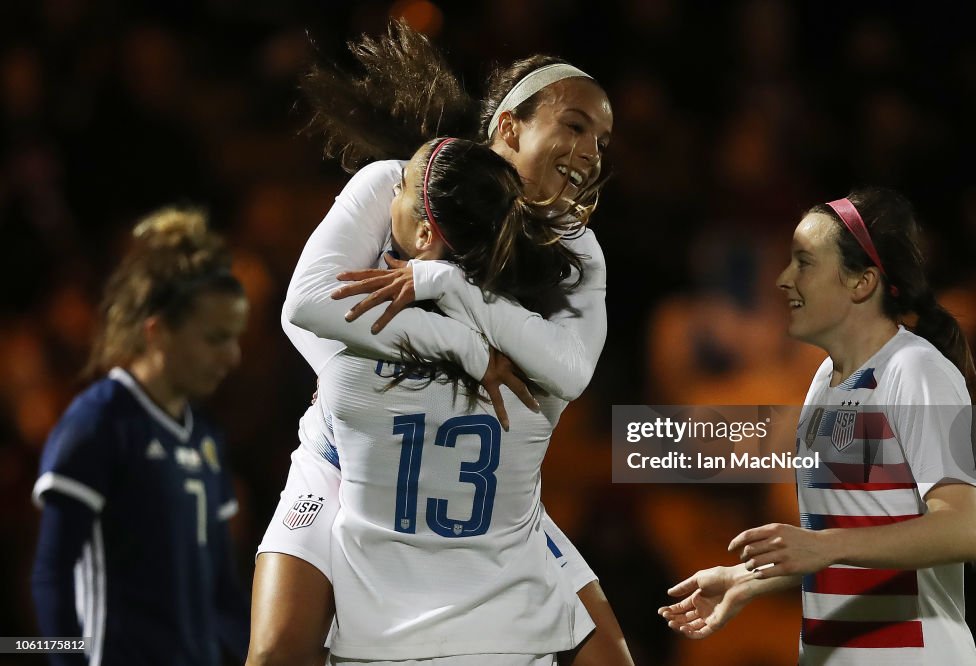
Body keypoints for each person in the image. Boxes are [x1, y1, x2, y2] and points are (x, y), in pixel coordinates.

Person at [248, 21, 631, 666]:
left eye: (601, 138)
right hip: (351, 459)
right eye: (573, 125)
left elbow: (570, 373)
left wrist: (441, 293)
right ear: (508, 126)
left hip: (480, 483)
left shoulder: (573, 247)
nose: (590, 150)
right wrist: (463, 352)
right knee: (278, 653)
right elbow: (306, 307)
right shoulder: (399, 185)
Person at [659, 188, 976, 664]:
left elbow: (962, 531)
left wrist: (823, 545)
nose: (783, 281)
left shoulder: (915, 370)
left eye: (804, 264)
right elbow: (840, 541)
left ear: (861, 284)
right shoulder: (824, 381)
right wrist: (746, 580)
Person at [31, 208, 251, 666]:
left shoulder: (206, 436)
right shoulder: (99, 422)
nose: (232, 357)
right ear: (159, 332)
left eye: (235, 339)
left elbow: (221, 593)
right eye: (215, 339)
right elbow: (51, 575)